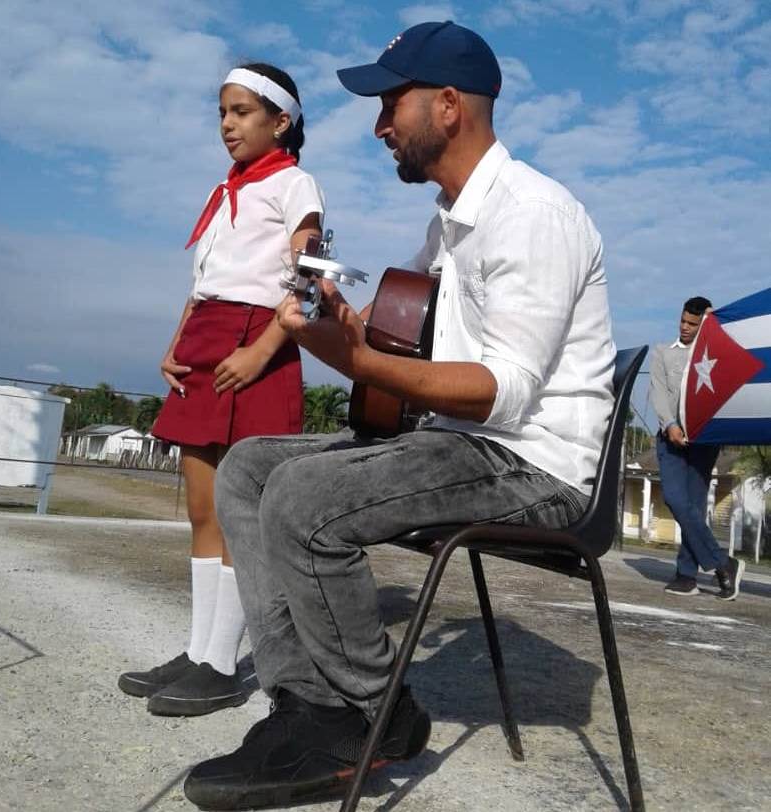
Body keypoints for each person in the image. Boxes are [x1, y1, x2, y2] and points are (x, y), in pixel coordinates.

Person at [184, 21, 616, 810]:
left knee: (306, 500)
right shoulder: (449, 220)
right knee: (250, 469)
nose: (380, 126)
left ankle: (373, 715)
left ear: (449, 106)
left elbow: (504, 390)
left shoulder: (532, 214)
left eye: (391, 105)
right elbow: (394, 319)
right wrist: (338, 319)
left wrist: (359, 361)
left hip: (535, 466)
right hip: (462, 444)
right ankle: (307, 704)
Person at [117, 63, 324, 716]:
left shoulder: (294, 182)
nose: (227, 124)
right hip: (206, 341)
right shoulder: (224, 189)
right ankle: (200, 650)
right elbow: (204, 281)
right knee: (202, 510)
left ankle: (222, 662)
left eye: (241, 112)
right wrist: (176, 345)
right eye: (222, 113)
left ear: (280, 122)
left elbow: (310, 272)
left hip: (256, 342)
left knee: (239, 514)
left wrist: (262, 351)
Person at [650, 296, 745, 599]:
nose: (685, 328)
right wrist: (670, 425)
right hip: (670, 439)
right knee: (676, 500)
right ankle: (723, 563)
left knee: (692, 504)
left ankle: (686, 575)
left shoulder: (714, 355)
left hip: (704, 443)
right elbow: (659, 394)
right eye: (683, 321)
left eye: (693, 323)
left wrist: (715, 325)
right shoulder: (663, 353)